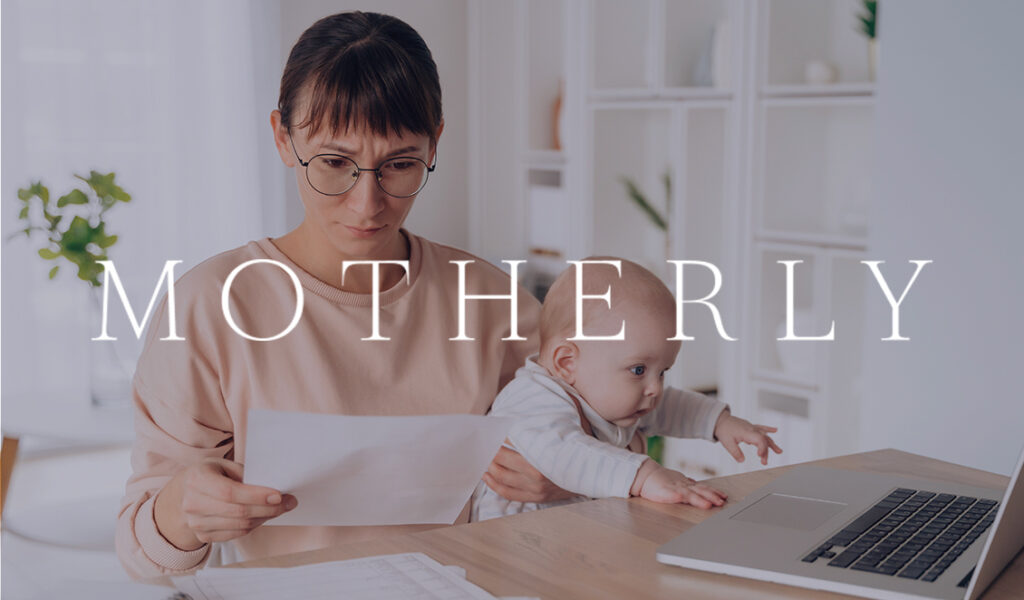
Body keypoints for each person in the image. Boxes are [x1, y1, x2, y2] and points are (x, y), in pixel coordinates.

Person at [116, 11, 560, 579]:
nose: (366, 203)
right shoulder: (210, 306)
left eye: (399, 165)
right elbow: (141, 556)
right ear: (282, 137)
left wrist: (559, 477)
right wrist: (182, 509)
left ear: (435, 143)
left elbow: (591, 447)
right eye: (334, 163)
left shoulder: (493, 301)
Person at [471, 258, 783, 521]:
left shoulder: (606, 394)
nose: (655, 388)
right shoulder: (534, 401)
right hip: (512, 544)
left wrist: (719, 422)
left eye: (663, 372)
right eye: (638, 370)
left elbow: (669, 406)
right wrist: (645, 475)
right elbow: (564, 453)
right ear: (567, 363)